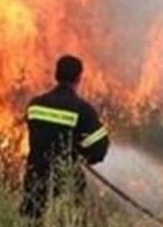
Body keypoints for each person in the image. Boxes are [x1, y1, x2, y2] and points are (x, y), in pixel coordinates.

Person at [20, 54, 110, 222]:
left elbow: (38, 134)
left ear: (56, 75)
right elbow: (100, 147)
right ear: (78, 78)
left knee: (31, 220)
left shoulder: (35, 105)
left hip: (35, 178)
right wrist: (81, 155)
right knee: (69, 220)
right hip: (66, 181)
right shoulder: (82, 109)